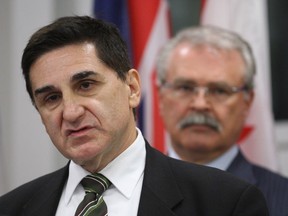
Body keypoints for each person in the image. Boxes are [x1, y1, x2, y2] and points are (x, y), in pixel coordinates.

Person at [0, 16, 269, 216]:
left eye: (86, 85)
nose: (70, 112)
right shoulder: (11, 208)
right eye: (51, 98)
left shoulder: (225, 202)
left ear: (132, 88)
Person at [156, 25, 288, 216]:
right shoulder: (125, 194)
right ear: (160, 97)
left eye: (219, 90)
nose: (200, 104)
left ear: (247, 102)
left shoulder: (282, 200)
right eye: (185, 88)